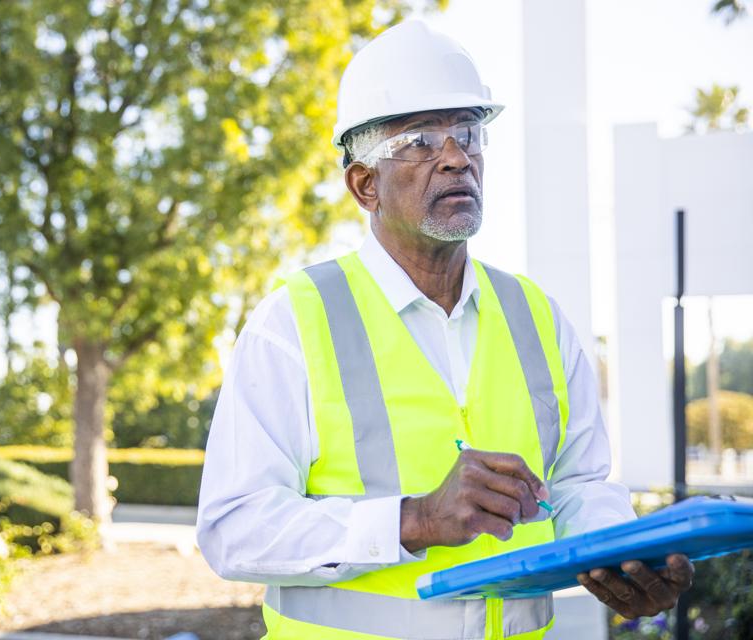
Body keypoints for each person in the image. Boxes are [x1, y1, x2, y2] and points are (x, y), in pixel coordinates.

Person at [196, 19, 693, 640]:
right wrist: (414, 520)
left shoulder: (535, 314)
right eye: (421, 140)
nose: (457, 156)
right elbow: (234, 529)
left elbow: (579, 484)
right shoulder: (292, 321)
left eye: (467, 133)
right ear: (364, 184)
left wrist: (617, 554)